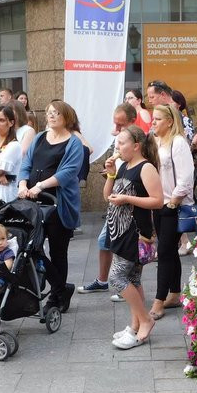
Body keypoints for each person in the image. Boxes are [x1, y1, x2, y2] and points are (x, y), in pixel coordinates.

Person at [18, 100, 84, 314]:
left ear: (67, 116)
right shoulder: (39, 138)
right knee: (32, 248)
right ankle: (61, 288)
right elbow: (26, 164)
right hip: (34, 202)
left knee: (58, 251)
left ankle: (56, 298)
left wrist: (40, 185)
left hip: (58, 203)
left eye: (56, 113)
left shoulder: (74, 143)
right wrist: (22, 184)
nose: (51, 116)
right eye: (49, 112)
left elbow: (68, 172)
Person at [104, 125, 163, 349]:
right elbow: (107, 196)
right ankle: (135, 324)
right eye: (117, 143)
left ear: (136, 146)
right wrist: (110, 173)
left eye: (121, 143)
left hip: (135, 231)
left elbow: (157, 200)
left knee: (116, 278)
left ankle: (146, 320)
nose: (117, 147)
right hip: (119, 229)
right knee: (133, 279)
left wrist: (128, 200)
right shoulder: (124, 166)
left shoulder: (145, 167)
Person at [78, 102, 137, 296]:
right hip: (116, 200)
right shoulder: (119, 140)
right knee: (105, 241)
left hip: (130, 204)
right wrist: (110, 172)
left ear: (132, 122)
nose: (116, 129)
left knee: (125, 247)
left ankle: (124, 285)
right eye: (115, 124)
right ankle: (104, 280)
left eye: (121, 125)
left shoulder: (137, 143)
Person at [149, 104, 194, 320]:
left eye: (157, 119)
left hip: (174, 205)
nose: (153, 122)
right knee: (169, 251)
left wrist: (173, 202)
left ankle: (159, 301)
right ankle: (175, 294)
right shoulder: (156, 141)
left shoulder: (178, 143)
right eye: (153, 119)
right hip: (159, 203)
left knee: (164, 252)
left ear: (169, 121)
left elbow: (186, 178)